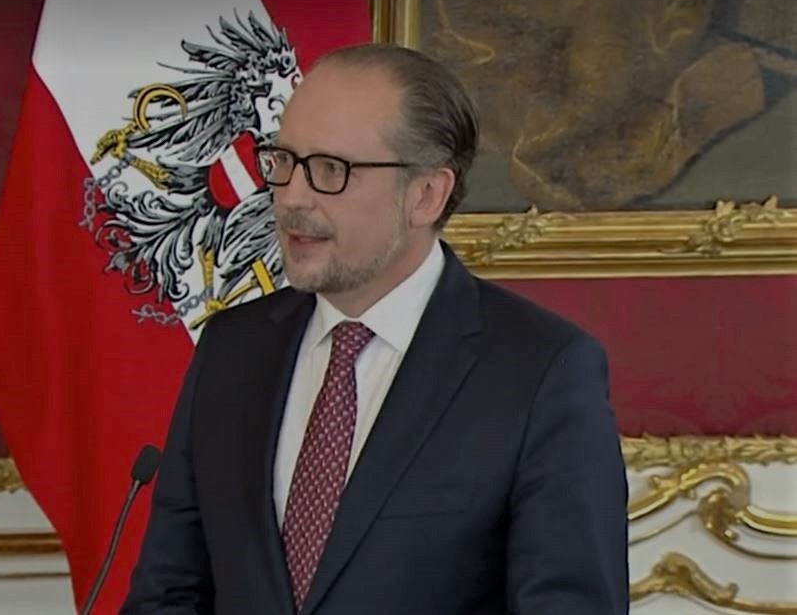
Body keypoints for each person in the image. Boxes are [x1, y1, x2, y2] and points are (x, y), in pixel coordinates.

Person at [121, 43, 629, 614]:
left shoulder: (543, 372)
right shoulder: (232, 348)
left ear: (426, 195)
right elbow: (168, 594)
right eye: (283, 161)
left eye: (331, 170)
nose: (291, 198)